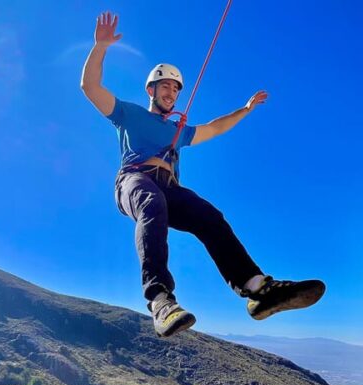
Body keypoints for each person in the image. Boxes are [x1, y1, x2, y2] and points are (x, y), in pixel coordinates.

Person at [81, 12, 325, 338]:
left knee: (209, 216)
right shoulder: (129, 114)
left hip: (169, 186)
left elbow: (214, 128)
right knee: (152, 204)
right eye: (165, 86)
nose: (171, 92)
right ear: (151, 89)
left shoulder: (177, 131)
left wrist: (246, 109)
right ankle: (160, 300)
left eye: (175, 89)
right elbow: (91, 86)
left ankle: (256, 288)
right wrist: (100, 47)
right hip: (134, 180)